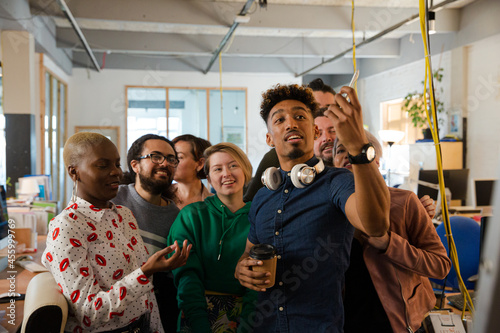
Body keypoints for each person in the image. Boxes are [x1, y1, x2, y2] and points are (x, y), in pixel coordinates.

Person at [235, 84, 390, 332]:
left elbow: (376, 224)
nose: (291, 124)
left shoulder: (337, 182)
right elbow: (249, 253)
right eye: (280, 120)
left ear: (315, 130)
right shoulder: (262, 197)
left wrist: (359, 149)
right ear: (269, 138)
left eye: (299, 116)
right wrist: (241, 268)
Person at [42, 132, 191, 333]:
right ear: (74, 172)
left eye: (117, 165)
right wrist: (146, 272)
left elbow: (145, 298)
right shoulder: (67, 226)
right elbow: (89, 313)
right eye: (103, 165)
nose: (116, 173)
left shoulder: (123, 215)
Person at [333, 130, 451, 332]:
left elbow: (440, 266)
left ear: (377, 161)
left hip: (396, 323)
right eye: (340, 150)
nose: (347, 154)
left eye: (356, 148)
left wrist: (391, 245)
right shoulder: (329, 212)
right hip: (344, 323)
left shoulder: (405, 202)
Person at [168, 142, 257, 333]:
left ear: (246, 170)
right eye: (218, 169)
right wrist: (199, 324)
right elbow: (186, 276)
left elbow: (259, 282)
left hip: (251, 316)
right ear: (208, 178)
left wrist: (248, 324)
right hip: (196, 312)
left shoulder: (260, 217)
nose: (226, 174)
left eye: (233, 165)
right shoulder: (191, 216)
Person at [112, 133, 185, 332]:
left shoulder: (177, 218)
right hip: (107, 307)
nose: (165, 164)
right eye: (156, 157)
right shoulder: (113, 200)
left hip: (149, 313)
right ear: (135, 165)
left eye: (171, 159)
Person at [243, 78, 336, 202]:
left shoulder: (347, 153)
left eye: (329, 108)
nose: (323, 114)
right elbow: (250, 201)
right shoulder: (275, 157)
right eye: (316, 109)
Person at [171, 134, 213, 209]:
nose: (171, 162)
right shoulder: (159, 195)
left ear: (200, 164)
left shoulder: (214, 204)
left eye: (179, 157)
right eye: (171, 157)